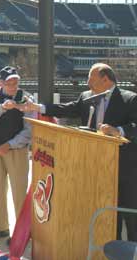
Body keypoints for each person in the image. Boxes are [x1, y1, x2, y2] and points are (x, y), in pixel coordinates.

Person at [20, 63, 137, 241]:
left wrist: (118, 130)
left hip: (124, 170)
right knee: (108, 215)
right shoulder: (86, 97)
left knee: (128, 213)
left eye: (91, 77)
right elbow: (67, 109)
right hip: (93, 166)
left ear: (105, 79)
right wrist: (38, 108)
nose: (87, 81)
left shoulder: (129, 99)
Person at [0, 66, 36, 241]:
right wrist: (2, 108)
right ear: (1, 82)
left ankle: (22, 233)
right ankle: (1, 227)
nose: (13, 85)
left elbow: (30, 130)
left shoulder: (27, 99)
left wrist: (11, 144)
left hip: (16, 151)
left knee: (19, 192)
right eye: (9, 82)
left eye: (15, 82)